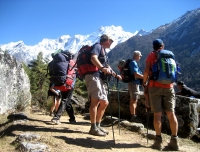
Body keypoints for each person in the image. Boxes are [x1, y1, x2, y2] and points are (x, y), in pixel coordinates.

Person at [143, 39, 179, 150]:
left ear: (153, 46)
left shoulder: (151, 55)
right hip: (169, 87)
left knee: (157, 115)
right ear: (162, 46)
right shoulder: (169, 55)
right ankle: (174, 141)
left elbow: (147, 71)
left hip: (155, 87)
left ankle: (158, 142)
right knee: (171, 114)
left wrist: (144, 82)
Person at [84, 34, 122, 136]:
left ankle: (98, 125)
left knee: (104, 103)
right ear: (107, 40)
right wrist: (101, 68)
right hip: (93, 76)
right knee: (95, 103)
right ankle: (93, 128)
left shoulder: (103, 51)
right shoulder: (97, 46)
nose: (112, 43)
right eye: (111, 41)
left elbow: (107, 66)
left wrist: (115, 75)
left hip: (98, 77)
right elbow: (93, 58)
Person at [129, 51, 144, 123]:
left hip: (134, 83)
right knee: (133, 99)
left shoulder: (133, 62)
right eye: (140, 56)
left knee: (135, 99)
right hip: (133, 83)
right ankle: (133, 116)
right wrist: (144, 77)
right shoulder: (133, 63)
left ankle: (134, 116)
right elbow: (136, 74)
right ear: (136, 56)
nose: (140, 57)